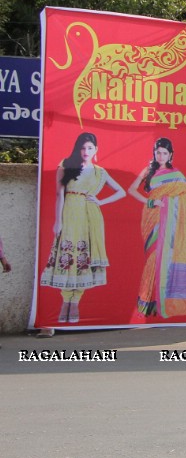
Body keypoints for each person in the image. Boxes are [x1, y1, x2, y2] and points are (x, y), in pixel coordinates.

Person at [39, 132, 126, 324]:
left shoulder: (100, 172)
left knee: (84, 257)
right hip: (70, 213)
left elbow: (121, 191)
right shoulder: (66, 165)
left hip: (91, 217)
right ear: (77, 148)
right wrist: (58, 221)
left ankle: (76, 301)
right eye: (83, 147)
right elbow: (59, 195)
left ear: (96, 150)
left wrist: (100, 201)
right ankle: (65, 301)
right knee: (68, 255)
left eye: (90, 148)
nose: (86, 151)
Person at [128, 137, 186, 318]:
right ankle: (148, 301)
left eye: (164, 153)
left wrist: (168, 201)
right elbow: (131, 190)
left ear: (170, 155)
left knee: (164, 256)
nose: (160, 156)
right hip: (152, 218)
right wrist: (150, 201)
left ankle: (163, 301)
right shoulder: (148, 171)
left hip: (170, 221)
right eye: (158, 152)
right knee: (153, 257)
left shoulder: (177, 175)